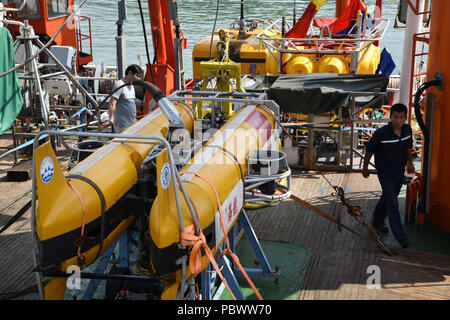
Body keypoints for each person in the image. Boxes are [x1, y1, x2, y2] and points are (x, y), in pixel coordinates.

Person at [362, 103, 415, 248]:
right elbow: (369, 150)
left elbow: (408, 147)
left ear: (405, 118)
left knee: (388, 197)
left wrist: (409, 163)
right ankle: (401, 236)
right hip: (385, 172)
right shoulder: (381, 133)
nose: (399, 120)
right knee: (393, 203)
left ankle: (378, 220)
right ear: (390, 117)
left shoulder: (407, 130)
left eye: (402, 117)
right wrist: (365, 167)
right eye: (396, 117)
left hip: (399, 171)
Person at [102, 64, 143, 133]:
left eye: (139, 77)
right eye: (137, 76)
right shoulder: (119, 85)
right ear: (130, 73)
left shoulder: (131, 86)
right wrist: (111, 120)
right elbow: (112, 103)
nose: (138, 78)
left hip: (131, 122)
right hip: (122, 124)